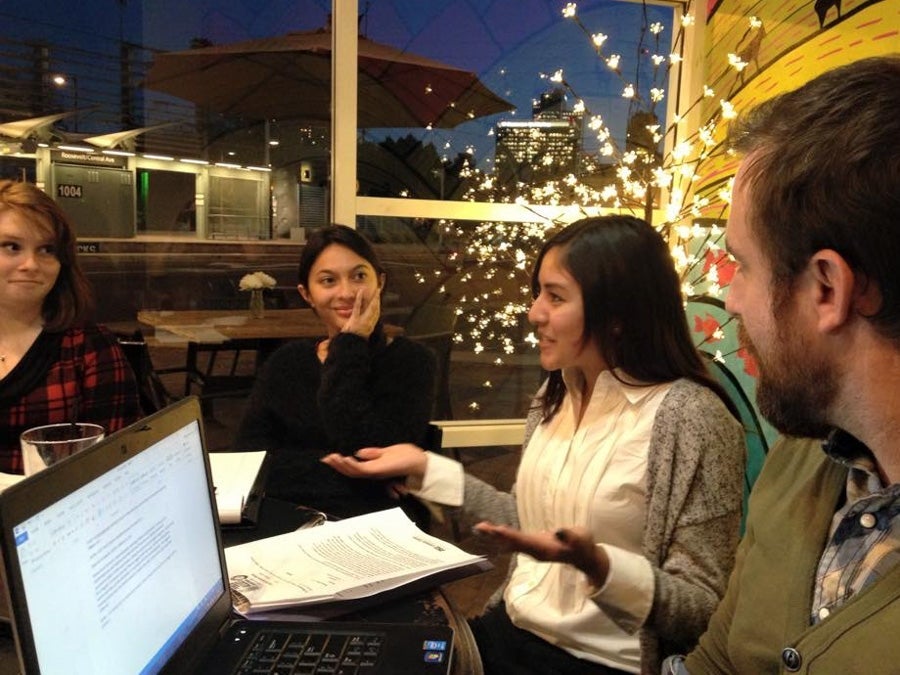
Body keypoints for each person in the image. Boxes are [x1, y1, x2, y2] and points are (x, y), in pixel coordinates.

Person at [323, 215, 747, 674]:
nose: (534, 312)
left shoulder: (692, 418)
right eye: (538, 292)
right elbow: (533, 528)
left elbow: (704, 609)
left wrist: (599, 567)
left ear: (619, 314)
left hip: (601, 661)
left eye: (556, 296)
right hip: (510, 631)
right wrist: (425, 468)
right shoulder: (555, 395)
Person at [664, 56, 900, 673]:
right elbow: (712, 661)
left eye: (741, 264)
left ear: (827, 288)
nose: (731, 298)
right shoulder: (802, 459)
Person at [235, 224, 437, 525]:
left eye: (359, 276)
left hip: (383, 527)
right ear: (307, 294)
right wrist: (360, 476)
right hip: (294, 523)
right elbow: (248, 462)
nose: (346, 293)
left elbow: (369, 450)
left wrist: (350, 344)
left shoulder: (413, 361)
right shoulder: (286, 363)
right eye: (328, 280)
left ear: (379, 282)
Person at [0, 179, 141, 473]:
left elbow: (115, 463)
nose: (31, 264)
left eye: (47, 249)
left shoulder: (90, 348)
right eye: (12, 246)